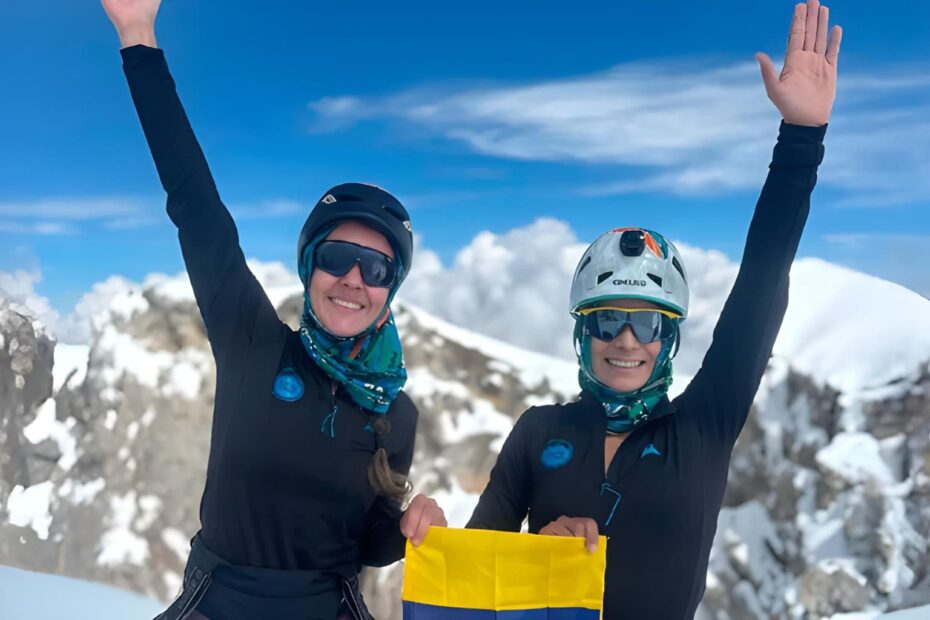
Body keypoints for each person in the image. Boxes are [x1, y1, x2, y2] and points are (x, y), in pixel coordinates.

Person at [466, 1, 842, 618]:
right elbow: (476, 572)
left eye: (647, 322)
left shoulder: (703, 426)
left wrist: (801, 139)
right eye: (607, 320)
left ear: (668, 338)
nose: (627, 340)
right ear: (583, 333)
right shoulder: (538, 431)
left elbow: (760, 284)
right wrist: (536, 552)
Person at [99, 1, 447, 619]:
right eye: (337, 256)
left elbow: (368, 542)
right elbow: (198, 210)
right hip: (216, 604)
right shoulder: (255, 342)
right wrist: (138, 39)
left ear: (390, 289)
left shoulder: (397, 413)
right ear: (310, 264)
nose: (351, 280)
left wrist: (410, 525)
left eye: (375, 268)